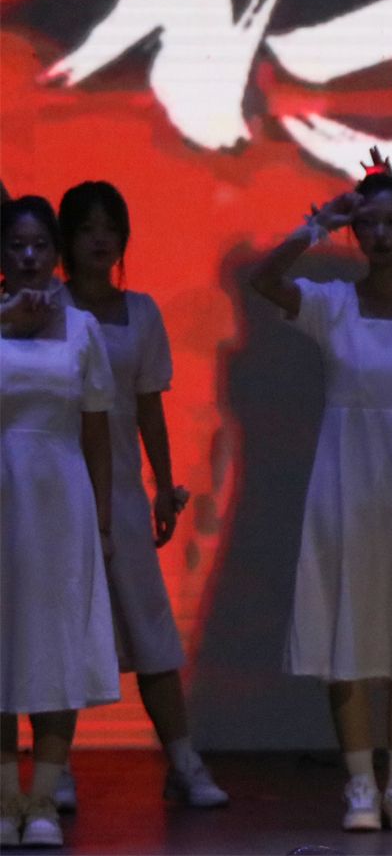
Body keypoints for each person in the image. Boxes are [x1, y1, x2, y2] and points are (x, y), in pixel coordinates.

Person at [249, 165, 392, 832]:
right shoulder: (333, 305)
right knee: (345, 629)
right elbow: (263, 281)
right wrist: (315, 226)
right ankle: (359, 784)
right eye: (369, 223)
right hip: (346, 486)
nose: (380, 234)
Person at [52, 181, 227, 810]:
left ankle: (184, 762)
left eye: (110, 228)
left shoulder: (143, 313)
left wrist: (162, 485)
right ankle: (54, 768)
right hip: (55, 484)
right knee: (62, 627)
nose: (100, 240)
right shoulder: (44, 306)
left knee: (149, 628)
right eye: (86, 228)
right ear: (66, 241)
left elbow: (149, 407)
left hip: (122, 488)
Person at [1, 196, 117, 848]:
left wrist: (101, 521)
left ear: (56, 253)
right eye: (16, 245)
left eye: (39, 245)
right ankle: (4, 798)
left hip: (60, 500)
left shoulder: (81, 329)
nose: (28, 257)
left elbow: (97, 432)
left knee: (54, 646)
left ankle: (42, 797)